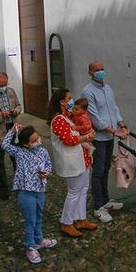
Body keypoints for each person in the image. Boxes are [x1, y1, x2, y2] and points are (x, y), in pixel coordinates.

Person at [81, 61, 129, 223]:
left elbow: (114, 109)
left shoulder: (107, 88)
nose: (100, 72)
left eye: (102, 69)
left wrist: (122, 125)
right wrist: (114, 131)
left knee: (106, 168)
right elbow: (94, 117)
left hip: (110, 137)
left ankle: (106, 200)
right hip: (99, 138)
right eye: (97, 70)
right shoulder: (87, 92)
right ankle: (97, 207)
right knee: (98, 170)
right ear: (90, 73)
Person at [1, 125, 57, 264]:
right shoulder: (19, 152)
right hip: (26, 192)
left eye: (37, 137)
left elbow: (49, 166)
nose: (38, 140)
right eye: (33, 140)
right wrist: (13, 131)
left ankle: (39, 240)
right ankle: (30, 246)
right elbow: (4, 145)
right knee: (30, 220)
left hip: (40, 190)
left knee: (38, 216)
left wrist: (46, 173)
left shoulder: (43, 151)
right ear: (25, 143)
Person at [47, 88, 98, 237]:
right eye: (69, 98)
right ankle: (67, 222)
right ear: (62, 101)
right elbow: (69, 140)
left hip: (81, 159)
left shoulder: (67, 116)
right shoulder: (58, 120)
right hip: (70, 160)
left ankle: (80, 218)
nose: (71, 100)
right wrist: (88, 136)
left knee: (83, 188)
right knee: (74, 191)